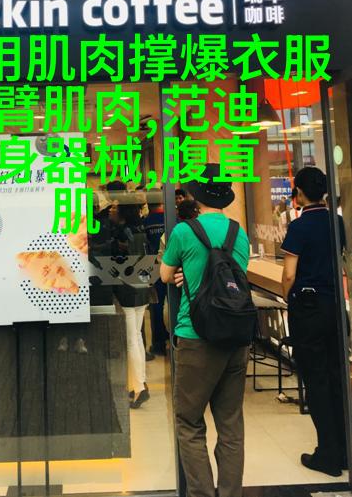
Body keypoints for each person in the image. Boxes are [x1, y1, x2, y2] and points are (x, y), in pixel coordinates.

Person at [160, 164, 250, 497]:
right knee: (231, 424)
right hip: (236, 336)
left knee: (189, 422)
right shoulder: (239, 233)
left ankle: (201, 494)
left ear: (196, 195)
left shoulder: (184, 232)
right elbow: (237, 276)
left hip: (196, 337)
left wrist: (184, 272)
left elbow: (165, 275)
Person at [281, 167, 347, 477]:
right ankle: (345, 450)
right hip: (335, 306)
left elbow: (289, 274)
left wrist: (288, 297)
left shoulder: (299, 226)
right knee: (337, 377)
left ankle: (327, 453)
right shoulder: (337, 222)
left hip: (309, 309)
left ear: (299, 193)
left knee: (316, 380)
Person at [112, 201, 155, 409]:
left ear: (123, 212)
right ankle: (140, 382)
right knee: (137, 337)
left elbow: (118, 261)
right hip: (142, 285)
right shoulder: (141, 229)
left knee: (131, 340)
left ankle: (138, 388)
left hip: (128, 288)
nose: (112, 210)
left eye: (115, 208)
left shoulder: (123, 232)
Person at [143, 188, 168, 356]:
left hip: (153, 269)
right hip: (172, 267)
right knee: (175, 304)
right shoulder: (172, 220)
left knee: (156, 306)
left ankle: (158, 344)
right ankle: (174, 340)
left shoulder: (145, 222)